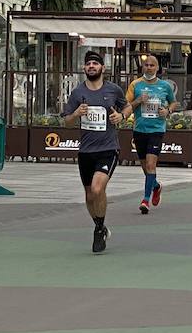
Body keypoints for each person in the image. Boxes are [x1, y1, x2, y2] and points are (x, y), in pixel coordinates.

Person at [62, 50, 128, 253]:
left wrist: (121, 117)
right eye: (88, 64)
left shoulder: (113, 90)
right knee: (90, 196)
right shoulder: (78, 93)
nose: (91, 66)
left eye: (95, 64)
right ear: (84, 68)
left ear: (102, 68)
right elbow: (66, 121)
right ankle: (100, 226)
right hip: (86, 151)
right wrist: (76, 113)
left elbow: (127, 107)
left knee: (98, 189)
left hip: (108, 148)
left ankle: (98, 229)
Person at [129, 51, 179, 213]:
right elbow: (126, 105)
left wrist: (168, 111)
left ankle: (145, 200)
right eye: (146, 65)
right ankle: (156, 186)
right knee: (145, 168)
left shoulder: (165, 86)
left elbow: (173, 103)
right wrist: (138, 101)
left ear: (158, 68)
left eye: (152, 65)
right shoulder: (135, 84)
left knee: (151, 165)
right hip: (139, 130)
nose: (149, 68)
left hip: (157, 130)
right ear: (142, 67)